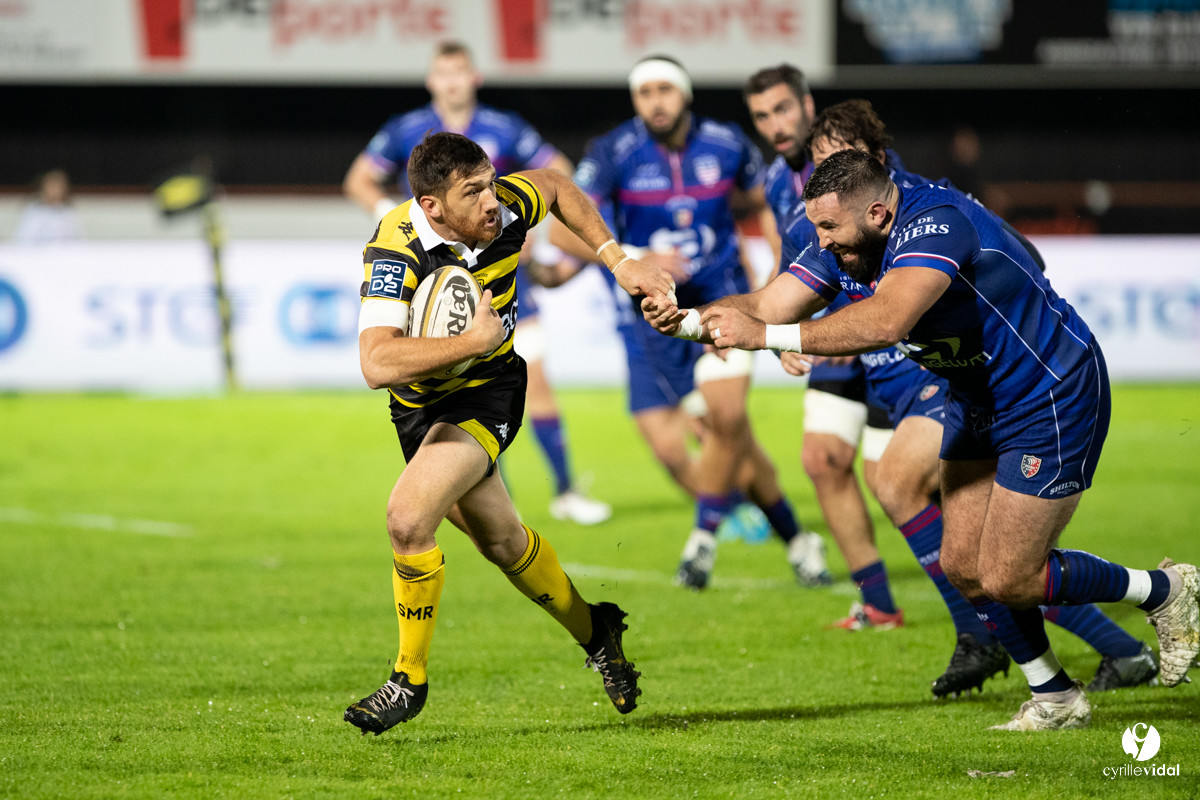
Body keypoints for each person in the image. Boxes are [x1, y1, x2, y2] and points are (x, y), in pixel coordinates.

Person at [646, 146, 1199, 730]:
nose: (821, 240)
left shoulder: (936, 224)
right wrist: (687, 317)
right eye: (817, 226)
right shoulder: (843, 245)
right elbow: (765, 303)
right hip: (977, 399)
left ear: (879, 214)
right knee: (962, 565)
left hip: (1048, 393)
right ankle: (1056, 697)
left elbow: (887, 321)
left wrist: (770, 337)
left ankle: (1164, 590)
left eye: (830, 227)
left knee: (1009, 575)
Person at [797, 99, 1160, 697]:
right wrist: (706, 321)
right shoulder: (818, 217)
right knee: (969, 560)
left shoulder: (930, 209)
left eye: (837, 158)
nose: (822, 168)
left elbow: (905, 309)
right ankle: (1070, 672)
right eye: (816, 160)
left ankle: (1121, 610)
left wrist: (980, 312)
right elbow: (790, 298)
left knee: (988, 555)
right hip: (923, 379)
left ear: (875, 164)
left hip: (956, 381)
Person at [344, 132, 675, 735]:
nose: (491, 202)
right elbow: (375, 364)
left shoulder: (503, 208)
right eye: (472, 193)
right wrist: (469, 341)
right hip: (419, 408)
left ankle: (408, 680)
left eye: (491, 183)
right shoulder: (397, 250)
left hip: (489, 392)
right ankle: (598, 630)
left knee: (406, 518)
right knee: (502, 542)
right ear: (432, 205)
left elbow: (553, 187)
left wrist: (618, 259)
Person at [552, 55, 828, 591]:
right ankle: (797, 537)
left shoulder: (727, 144)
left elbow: (768, 202)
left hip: (721, 299)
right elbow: (564, 229)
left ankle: (701, 543)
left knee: (725, 421)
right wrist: (635, 253)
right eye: (644, 92)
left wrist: (781, 280)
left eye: (664, 89)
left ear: (684, 94)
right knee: (677, 452)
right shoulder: (613, 152)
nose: (655, 101)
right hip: (648, 319)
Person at [344, 40, 609, 524]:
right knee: (457, 386)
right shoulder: (406, 130)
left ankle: (567, 490)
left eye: (459, 71)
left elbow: (560, 176)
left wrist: (526, 230)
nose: (451, 80)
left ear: (474, 77)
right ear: (431, 81)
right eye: (442, 72)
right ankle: (495, 491)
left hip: (501, 274)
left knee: (535, 381)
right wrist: (396, 221)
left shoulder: (504, 127)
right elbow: (359, 178)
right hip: (434, 284)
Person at [744, 66, 898, 625]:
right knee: (822, 459)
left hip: (887, 340)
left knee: (900, 483)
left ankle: (1010, 593)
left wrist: (873, 325)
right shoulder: (773, 181)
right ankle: (879, 603)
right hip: (828, 338)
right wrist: (777, 333)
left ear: (807, 105)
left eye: (783, 109)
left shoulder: (867, 167)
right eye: (762, 116)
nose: (775, 125)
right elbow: (786, 267)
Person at [14, 169, 83, 244]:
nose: (55, 190)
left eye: (59, 187)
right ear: (43, 188)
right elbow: (23, 239)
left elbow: (77, 241)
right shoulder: (33, 211)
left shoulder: (68, 212)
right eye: (52, 186)